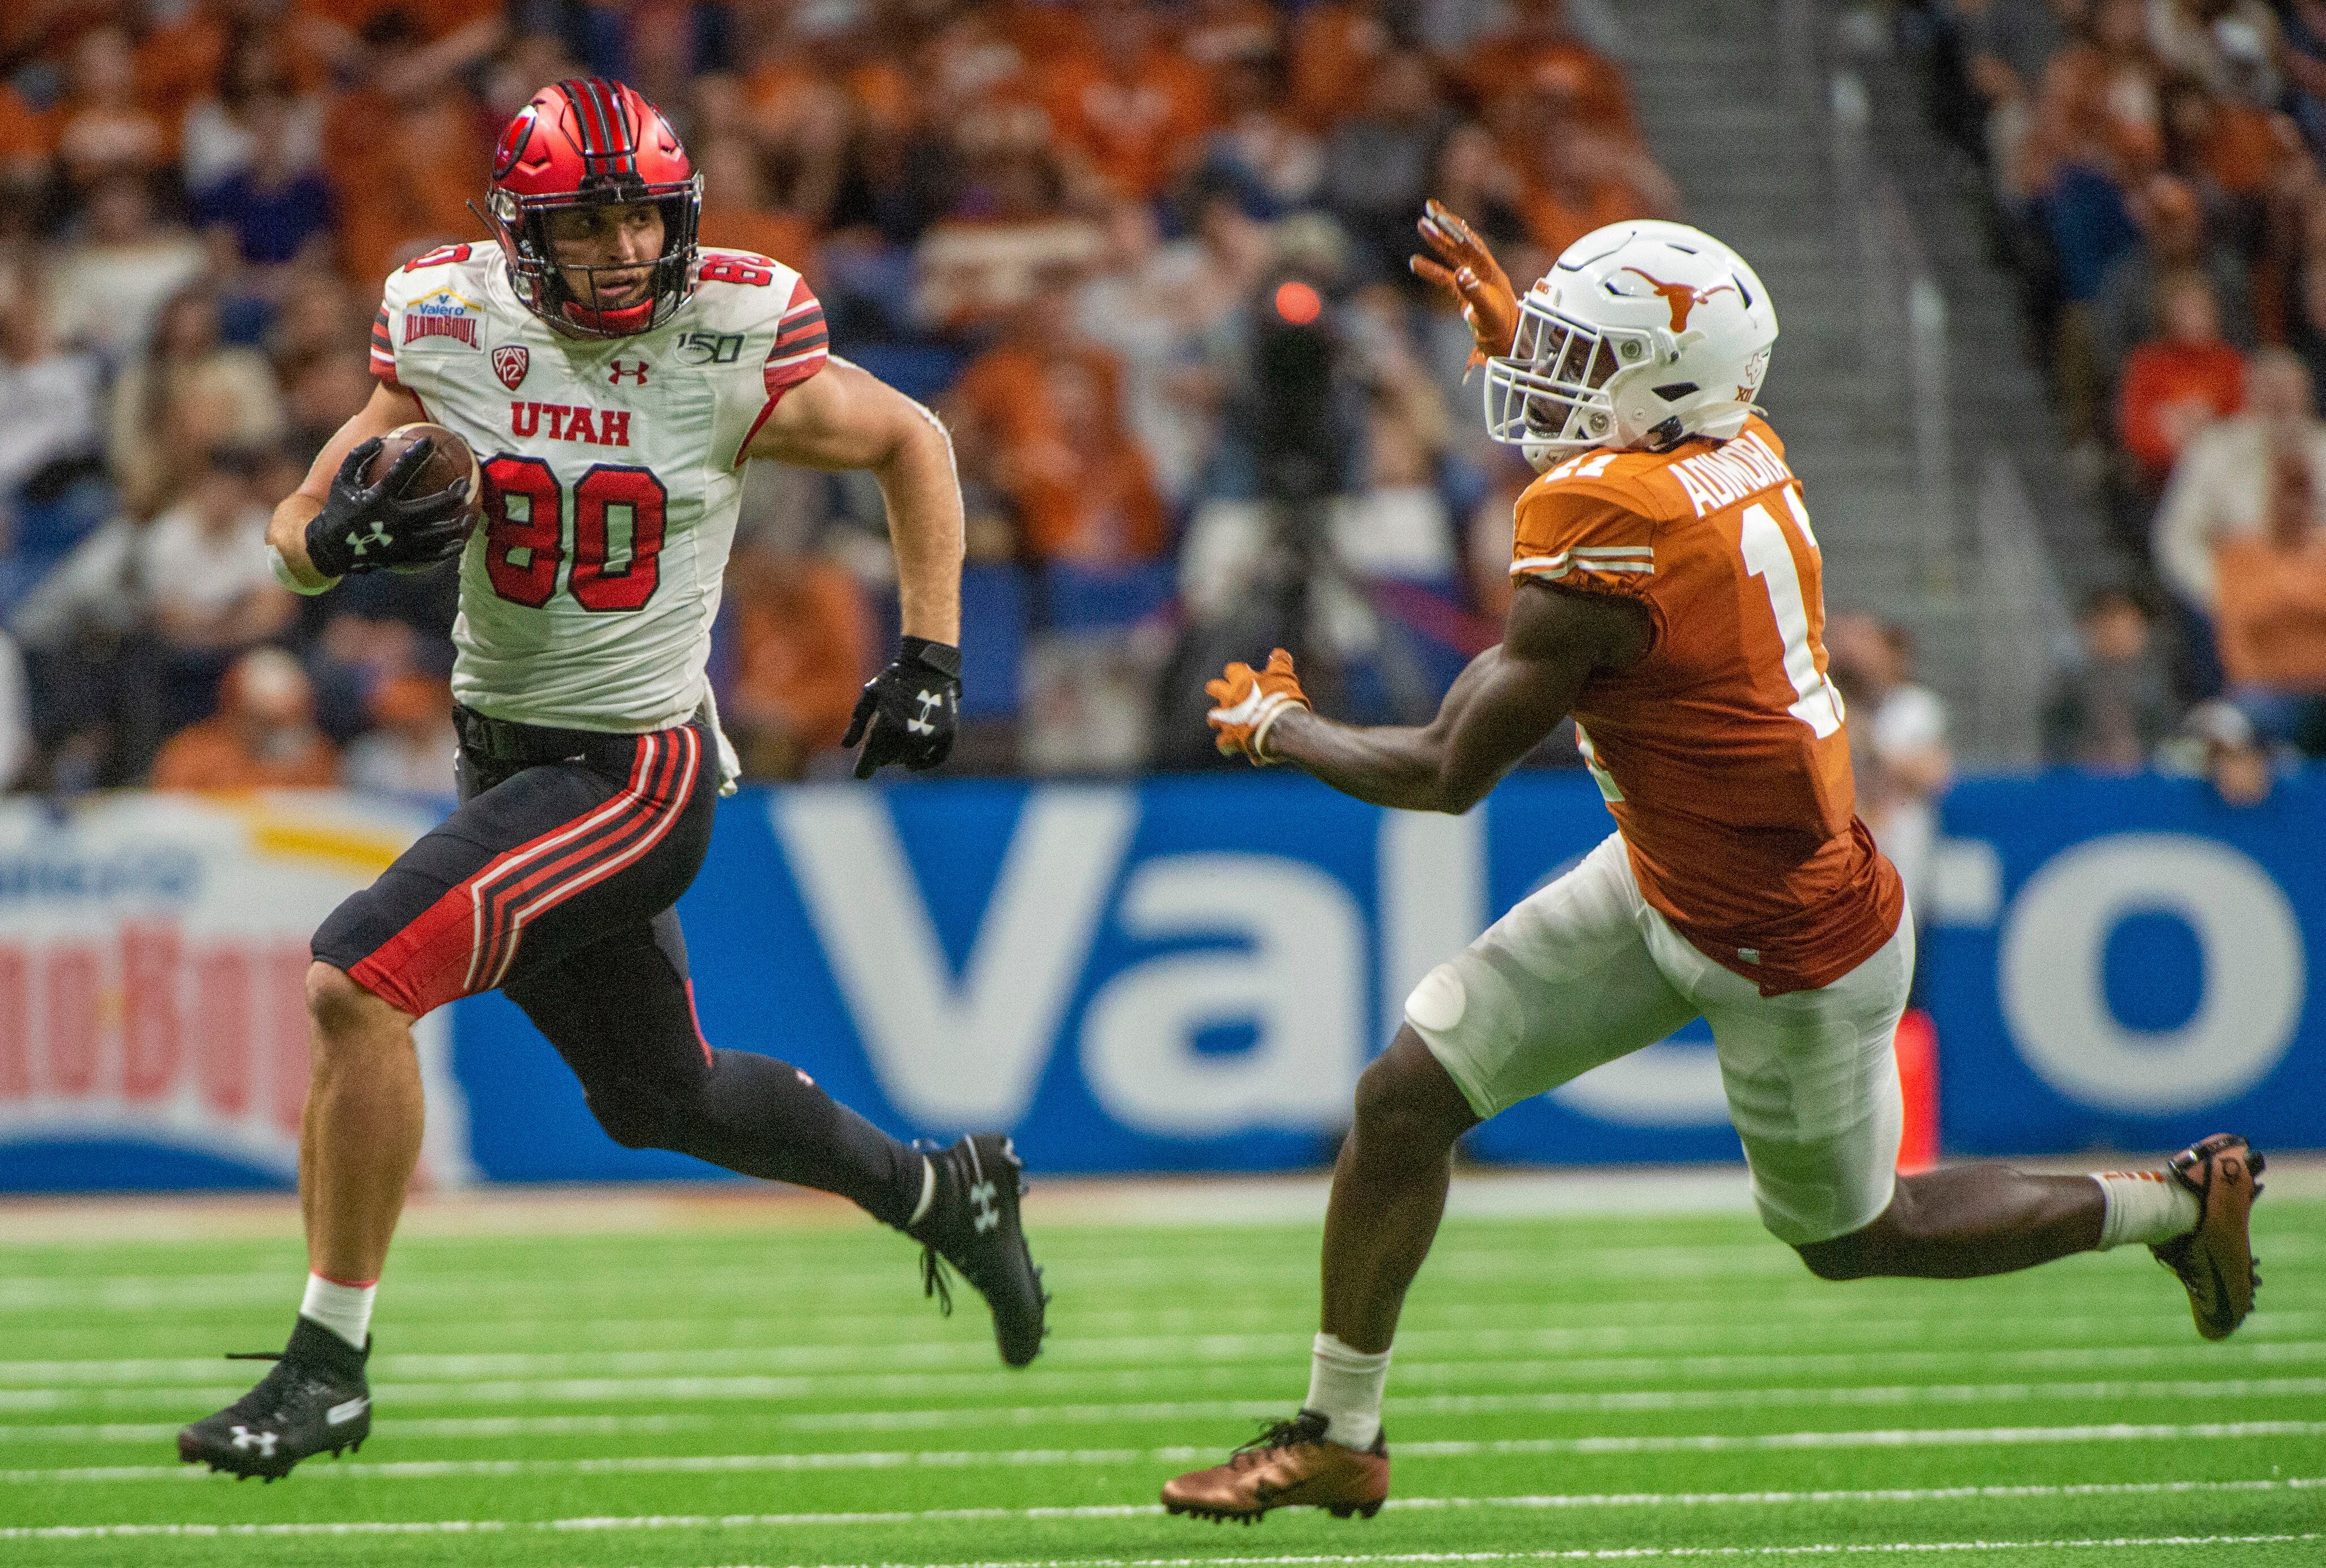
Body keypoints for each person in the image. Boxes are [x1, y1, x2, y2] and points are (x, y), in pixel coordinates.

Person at [1159, 209, 2267, 1524]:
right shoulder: (1736, 440)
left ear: (1656, 390)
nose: (1544, 381)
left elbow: (1446, 772)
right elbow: (1647, 437)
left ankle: (2173, 1209)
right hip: (1668, 871)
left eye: (1579, 356)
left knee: (1857, 1239)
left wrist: (1283, 727)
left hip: (1786, 941)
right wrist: (1536, 334)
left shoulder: (1609, 524)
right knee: (1405, 1097)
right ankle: (1340, 1435)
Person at [177, 77, 1046, 1484]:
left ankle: (326, 1366)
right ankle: (942, 1193)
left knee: (356, 979)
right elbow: (294, 529)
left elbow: (913, 441)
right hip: (503, 760)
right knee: (663, 1100)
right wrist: (328, 541)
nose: (628, 250)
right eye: (589, 225)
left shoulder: (731, 329)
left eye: (644, 216)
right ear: (526, 234)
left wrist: (932, 654)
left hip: (633, 775)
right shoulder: (452, 322)